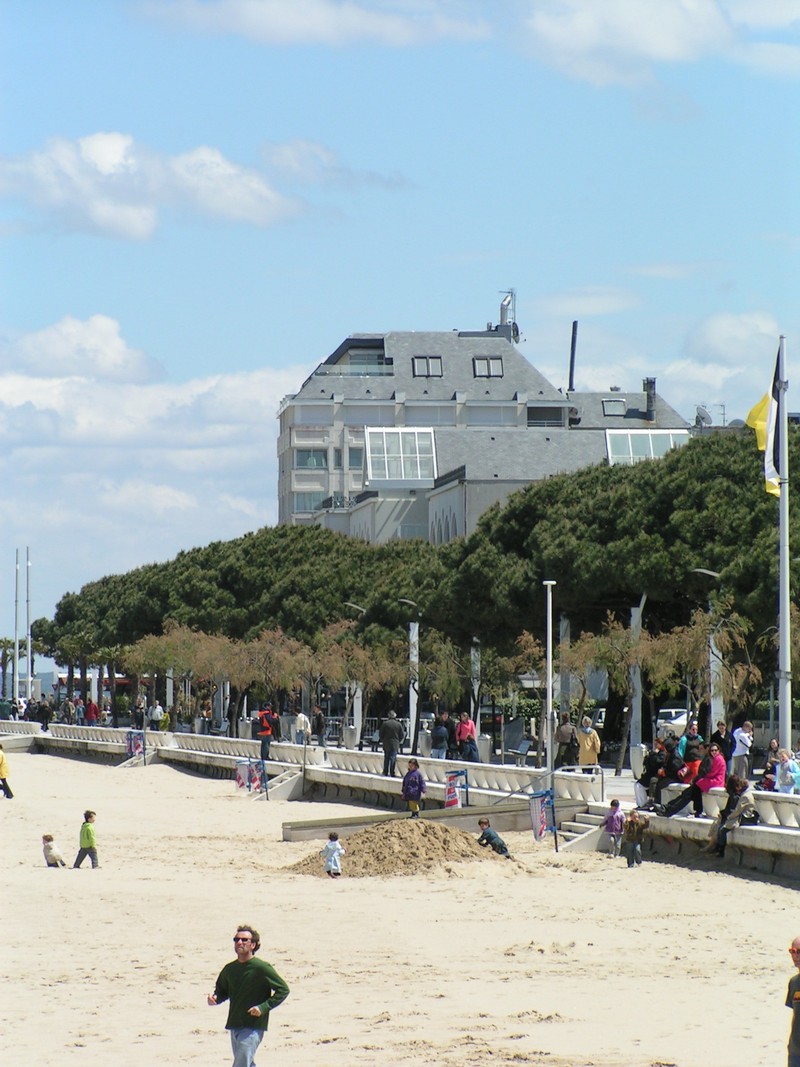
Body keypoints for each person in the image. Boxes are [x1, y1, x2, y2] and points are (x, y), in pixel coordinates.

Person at [208, 924, 289, 1067]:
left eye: (244, 940)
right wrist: (215, 999)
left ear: (253, 945)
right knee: (247, 1063)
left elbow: (283, 989)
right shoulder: (230, 969)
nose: (239, 942)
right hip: (234, 1024)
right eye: (236, 939)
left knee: (241, 1064)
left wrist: (263, 1007)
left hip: (253, 1026)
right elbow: (222, 991)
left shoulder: (261, 968)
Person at [659, 741, 726, 818]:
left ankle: (669, 809)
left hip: (716, 781)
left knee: (690, 792)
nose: (714, 752)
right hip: (710, 780)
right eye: (712, 750)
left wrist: (701, 778)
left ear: (719, 750)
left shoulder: (718, 759)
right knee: (690, 792)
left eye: (715, 750)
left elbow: (712, 772)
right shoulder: (713, 758)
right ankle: (669, 807)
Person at [704, 774, 757, 857]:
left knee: (722, 829)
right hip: (737, 816)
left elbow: (737, 811)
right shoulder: (742, 794)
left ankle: (720, 849)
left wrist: (728, 817)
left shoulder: (745, 796)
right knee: (718, 824)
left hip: (742, 819)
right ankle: (714, 846)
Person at [379, 710, 404, 777]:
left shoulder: (385, 724)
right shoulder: (398, 724)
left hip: (386, 743)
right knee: (393, 758)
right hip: (395, 744)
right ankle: (392, 772)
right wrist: (398, 741)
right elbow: (402, 735)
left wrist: (383, 740)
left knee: (386, 758)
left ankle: (385, 771)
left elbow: (381, 734)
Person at [788, 936, 800, 1067]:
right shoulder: (794, 983)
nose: (795, 956)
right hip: (795, 1053)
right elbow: (795, 1016)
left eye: (799, 951)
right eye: (792, 951)